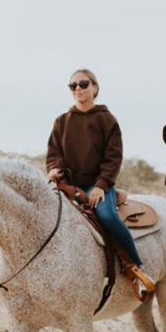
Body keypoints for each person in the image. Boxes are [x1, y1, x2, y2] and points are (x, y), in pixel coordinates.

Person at [46, 68, 155, 298]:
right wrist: (55, 169)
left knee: (107, 217)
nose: (77, 89)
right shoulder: (61, 122)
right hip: (68, 186)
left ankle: (136, 267)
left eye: (83, 84)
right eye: (72, 85)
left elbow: (113, 158)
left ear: (94, 88)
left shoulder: (107, 120)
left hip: (97, 186)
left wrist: (101, 186)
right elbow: (54, 153)